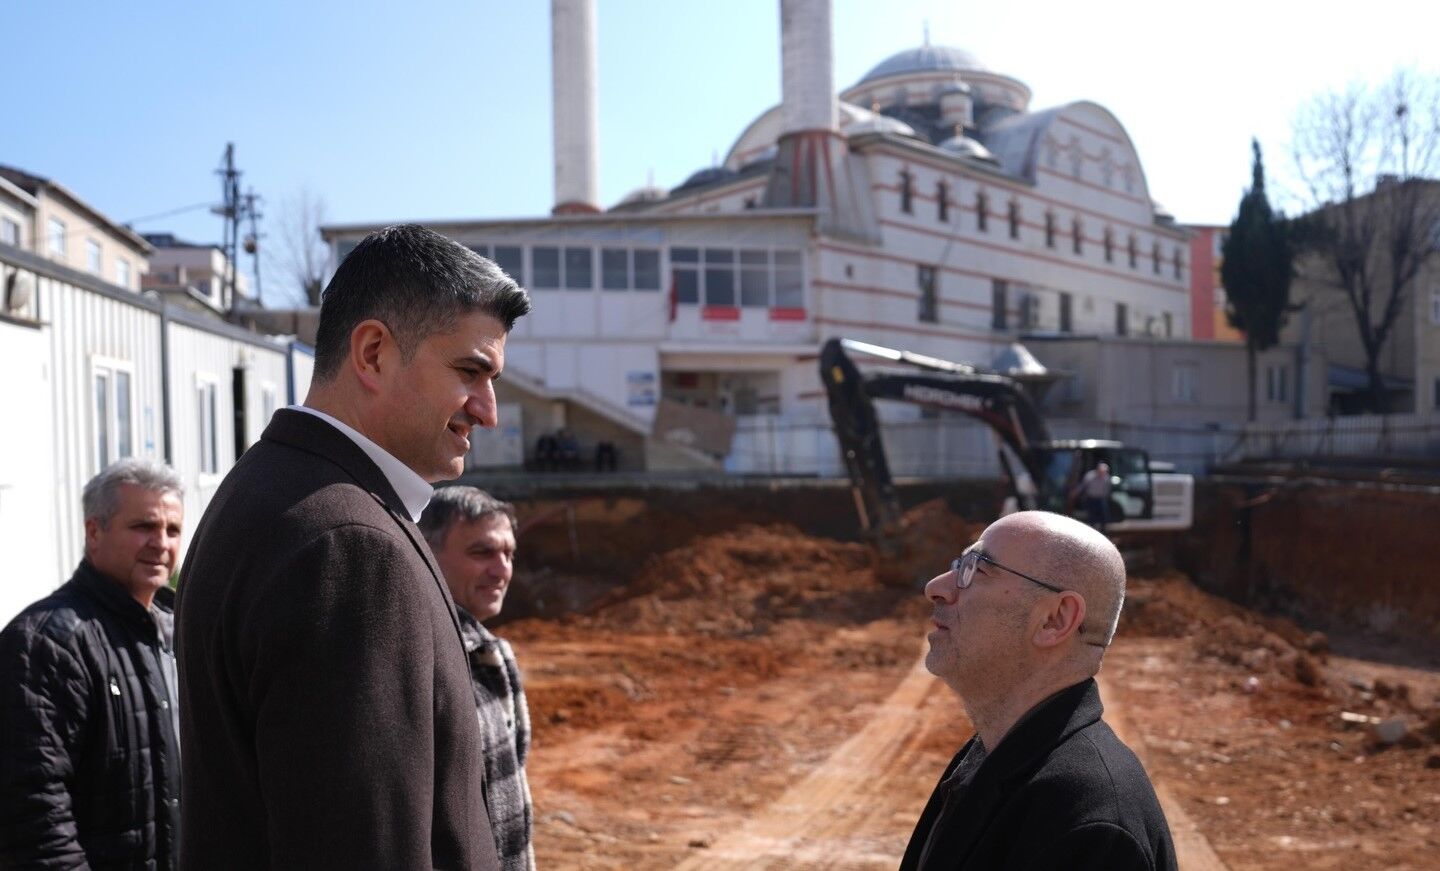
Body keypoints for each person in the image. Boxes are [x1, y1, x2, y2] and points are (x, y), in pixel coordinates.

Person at [175, 224, 531, 869]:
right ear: (371, 353)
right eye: (470, 372)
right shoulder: (350, 547)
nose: (488, 410)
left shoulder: (277, 490)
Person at [902, 510, 1176, 870]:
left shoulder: (1091, 824)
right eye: (957, 565)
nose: (936, 587)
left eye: (976, 569)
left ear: (1055, 619)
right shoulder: (995, 754)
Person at [0, 458, 184, 868]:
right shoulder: (45, 644)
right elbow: (32, 812)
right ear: (94, 531)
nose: (161, 543)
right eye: (143, 527)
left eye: (172, 530)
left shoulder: (183, 632)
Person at [419, 487, 534, 871]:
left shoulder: (492, 654)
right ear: (427, 553)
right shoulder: (414, 656)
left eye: (508, 554)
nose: (502, 571)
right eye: (481, 552)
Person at [1074, 461, 1112, 532]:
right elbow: (1083, 486)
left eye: (1104, 472)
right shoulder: (1089, 476)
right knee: (1092, 517)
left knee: (1104, 516)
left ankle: (1103, 531)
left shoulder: (1106, 478)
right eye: (1101, 472)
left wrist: (1107, 497)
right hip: (1091, 499)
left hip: (1101, 499)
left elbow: (1107, 489)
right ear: (1097, 470)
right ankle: (1092, 531)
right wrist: (1076, 492)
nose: (1103, 474)